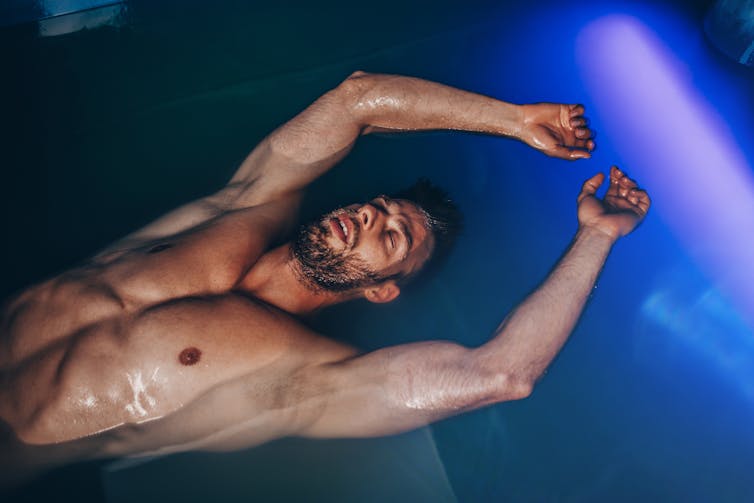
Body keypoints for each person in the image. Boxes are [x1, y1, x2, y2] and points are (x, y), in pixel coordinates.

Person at [0, 72, 647, 476]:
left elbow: (502, 373)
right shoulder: (241, 210)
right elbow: (357, 98)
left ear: (381, 288)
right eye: (381, 206)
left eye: (392, 236)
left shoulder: (297, 377)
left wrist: (595, 236)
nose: (371, 215)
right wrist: (510, 119)